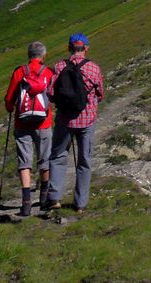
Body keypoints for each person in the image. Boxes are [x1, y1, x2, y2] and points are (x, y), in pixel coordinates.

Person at [45, 32, 104, 213]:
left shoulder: (60, 66)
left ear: (69, 48)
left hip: (64, 120)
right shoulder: (93, 68)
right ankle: (80, 203)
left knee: (58, 156)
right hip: (87, 120)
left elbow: (51, 93)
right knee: (85, 160)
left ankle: (54, 198)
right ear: (86, 48)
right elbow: (100, 93)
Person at [3, 41, 54, 217]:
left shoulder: (20, 72)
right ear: (43, 55)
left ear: (28, 55)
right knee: (44, 158)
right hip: (44, 122)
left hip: (22, 122)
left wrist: (10, 108)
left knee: (24, 161)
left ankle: (26, 204)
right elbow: (52, 95)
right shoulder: (47, 72)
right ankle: (45, 197)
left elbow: (10, 98)